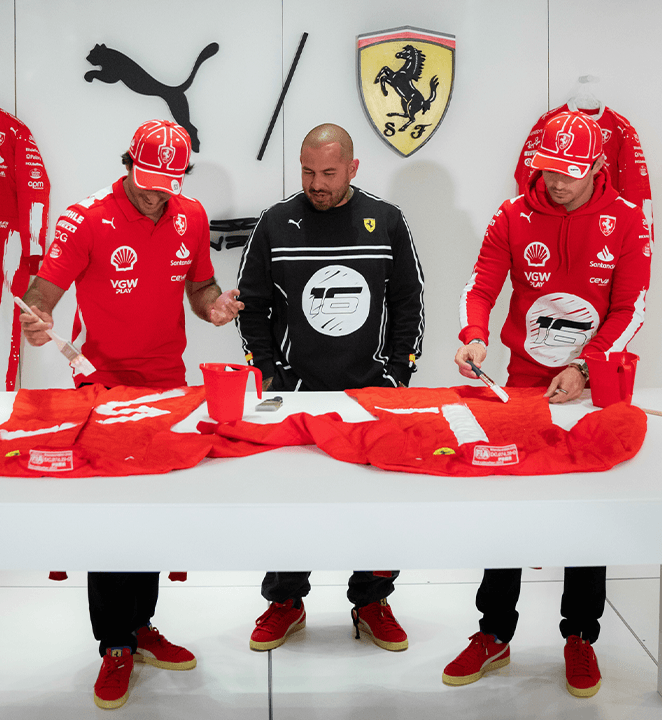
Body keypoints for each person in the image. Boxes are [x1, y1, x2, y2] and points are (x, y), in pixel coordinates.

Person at [19, 119, 243, 710]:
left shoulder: (191, 215)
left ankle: (141, 626)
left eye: (167, 186)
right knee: (111, 517)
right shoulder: (85, 218)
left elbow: (200, 289)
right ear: (127, 165)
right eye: (146, 183)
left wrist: (215, 308)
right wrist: (37, 320)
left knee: (150, 513)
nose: (155, 196)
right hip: (103, 386)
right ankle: (115, 644)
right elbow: (41, 294)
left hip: (167, 384)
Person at [446, 111, 651, 697]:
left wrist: (587, 367)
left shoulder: (628, 220)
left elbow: (631, 307)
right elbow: (481, 285)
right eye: (547, 170)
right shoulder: (512, 214)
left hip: (593, 383)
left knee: (588, 509)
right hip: (523, 384)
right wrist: (474, 335)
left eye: (568, 173)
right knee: (507, 505)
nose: (555, 182)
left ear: (596, 167)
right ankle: (493, 631)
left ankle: (581, 635)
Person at [236, 123, 425, 653]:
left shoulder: (386, 220)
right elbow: (251, 307)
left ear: (352, 168)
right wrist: (268, 375)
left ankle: (372, 601)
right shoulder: (275, 223)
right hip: (296, 395)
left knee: (377, 505)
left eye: (328, 173)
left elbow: (408, 302)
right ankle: (285, 600)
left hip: (370, 392)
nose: (316, 184)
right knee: (289, 504)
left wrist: (397, 376)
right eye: (307, 172)